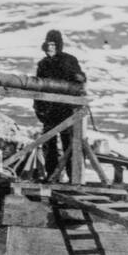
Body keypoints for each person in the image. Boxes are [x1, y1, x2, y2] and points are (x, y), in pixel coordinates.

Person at [33, 29, 87, 182]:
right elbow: (38, 87)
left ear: (58, 45)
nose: (50, 47)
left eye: (53, 44)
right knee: (49, 147)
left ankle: (72, 178)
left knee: (68, 145)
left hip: (66, 111)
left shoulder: (69, 60)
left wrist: (78, 78)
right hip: (49, 111)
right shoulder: (42, 64)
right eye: (48, 44)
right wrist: (39, 109)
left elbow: (80, 78)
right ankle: (52, 177)